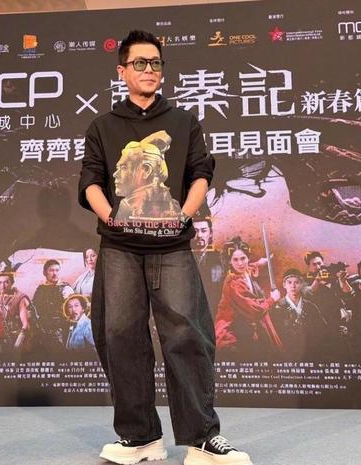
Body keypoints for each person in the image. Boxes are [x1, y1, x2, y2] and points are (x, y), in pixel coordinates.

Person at [78, 30, 251, 465]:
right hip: (119, 247)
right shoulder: (102, 126)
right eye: (140, 63)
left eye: (156, 62)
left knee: (187, 334)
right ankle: (140, 437)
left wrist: (183, 216)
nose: (149, 70)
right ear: (122, 71)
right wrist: (112, 217)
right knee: (120, 336)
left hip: (172, 246)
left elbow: (200, 174)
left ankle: (202, 438)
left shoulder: (183, 121)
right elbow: (91, 181)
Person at [214, 236, 283, 357]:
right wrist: (273, 299)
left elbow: (249, 267)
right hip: (230, 333)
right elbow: (256, 310)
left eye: (243, 258)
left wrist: (261, 262)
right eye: (235, 260)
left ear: (248, 258)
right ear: (229, 261)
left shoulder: (244, 270)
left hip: (245, 327)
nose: (240, 263)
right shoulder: (233, 283)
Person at [271, 269, 328, 360]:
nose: (293, 286)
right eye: (289, 282)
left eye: (296, 282)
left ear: (301, 284)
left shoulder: (311, 307)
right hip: (286, 355)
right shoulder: (277, 308)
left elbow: (322, 330)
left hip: (311, 353)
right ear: (284, 285)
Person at [31, 259, 74, 351]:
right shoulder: (40, 289)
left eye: (57, 270)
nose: (55, 273)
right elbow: (34, 308)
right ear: (44, 273)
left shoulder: (66, 289)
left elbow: (72, 311)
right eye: (51, 270)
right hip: (42, 330)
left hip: (60, 330)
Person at [192, 212, 224, 319]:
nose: (199, 235)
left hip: (213, 312)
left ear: (210, 233)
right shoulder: (182, 257)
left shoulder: (219, 258)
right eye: (195, 231)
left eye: (204, 230)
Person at [0, 261, 31, 352]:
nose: (2, 286)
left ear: (12, 283)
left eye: (6, 282)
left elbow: (25, 325)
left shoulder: (19, 298)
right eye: (0, 283)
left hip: (17, 339)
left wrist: (17, 345)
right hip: (2, 339)